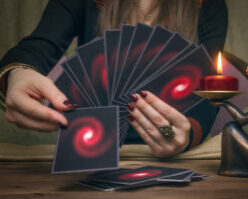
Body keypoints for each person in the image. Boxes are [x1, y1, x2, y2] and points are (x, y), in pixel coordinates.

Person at [0, 0, 228, 158]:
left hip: (170, 159)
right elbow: (36, 48)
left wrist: (186, 134)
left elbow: (207, 93)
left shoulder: (208, 5)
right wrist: (17, 72)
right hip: (91, 153)